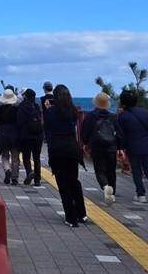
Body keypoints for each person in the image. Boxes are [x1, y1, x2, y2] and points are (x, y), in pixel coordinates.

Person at [44, 84, 87, 227]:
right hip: (72, 147)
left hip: (57, 148)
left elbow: (48, 129)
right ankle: (82, 214)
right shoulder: (73, 111)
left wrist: (48, 108)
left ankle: (71, 218)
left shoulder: (51, 112)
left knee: (63, 184)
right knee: (74, 181)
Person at [117, 89, 148, 205]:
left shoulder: (123, 116)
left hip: (133, 147)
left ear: (123, 102)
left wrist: (120, 148)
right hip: (147, 145)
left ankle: (141, 195)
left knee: (136, 171)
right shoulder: (144, 113)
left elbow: (121, 135)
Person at [80, 92, 120, 206]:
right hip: (111, 147)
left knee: (100, 170)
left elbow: (85, 131)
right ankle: (112, 194)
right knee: (111, 171)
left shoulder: (90, 116)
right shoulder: (112, 117)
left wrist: (85, 143)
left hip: (97, 146)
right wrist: (119, 147)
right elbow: (118, 133)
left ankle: (105, 187)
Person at [17, 88, 44, 186]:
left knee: (26, 156)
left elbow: (19, 123)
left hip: (26, 136)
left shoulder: (22, 107)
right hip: (38, 135)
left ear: (25, 96)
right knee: (37, 157)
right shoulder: (36, 106)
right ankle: (37, 180)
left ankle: (29, 172)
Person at [0, 87, 21, 184]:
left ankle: (7, 170)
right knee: (15, 157)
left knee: (5, 155)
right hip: (15, 133)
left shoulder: (0, 109)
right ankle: (14, 178)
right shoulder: (16, 109)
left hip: (3, 132)